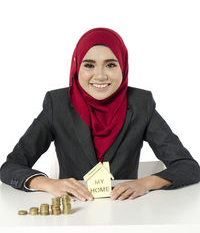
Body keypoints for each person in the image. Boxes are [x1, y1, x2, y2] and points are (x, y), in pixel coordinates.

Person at [0, 27, 200, 202]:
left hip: (126, 212)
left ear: (123, 66)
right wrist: (48, 183)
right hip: (74, 212)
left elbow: (188, 167)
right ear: (77, 67)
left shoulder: (141, 104)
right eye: (89, 65)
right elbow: (11, 166)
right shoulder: (57, 104)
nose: (101, 75)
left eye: (111, 65)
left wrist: (146, 183)